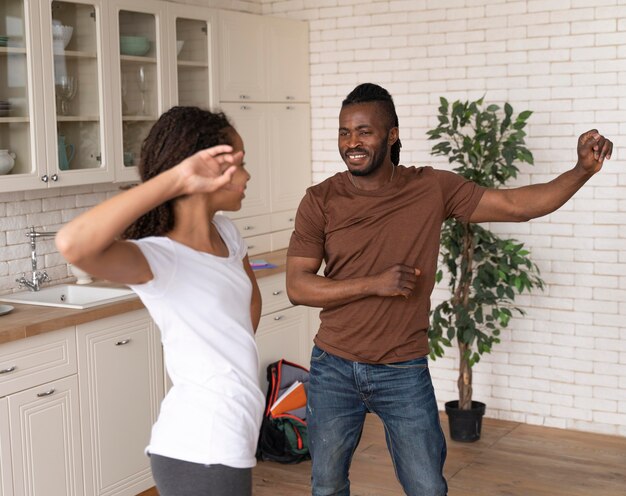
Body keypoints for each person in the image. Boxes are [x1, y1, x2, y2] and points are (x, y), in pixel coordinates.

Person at [286, 83, 613, 496]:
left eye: (364, 131)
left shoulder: (431, 188)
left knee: (427, 488)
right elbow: (298, 286)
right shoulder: (319, 199)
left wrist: (581, 170)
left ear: (392, 135)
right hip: (333, 366)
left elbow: (518, 206)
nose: (352, 142)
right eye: (345, 132)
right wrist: (375, 284)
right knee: (327, 486)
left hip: (403, 369)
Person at [56, 106, 264, 496]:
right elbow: (72, 244)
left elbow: (250, 304)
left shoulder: (227, 233)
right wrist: (177, 178)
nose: (248, 175)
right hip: (199, 443)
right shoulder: (159, 258)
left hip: (231, 430)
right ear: (201, 171)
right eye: (239, 164)